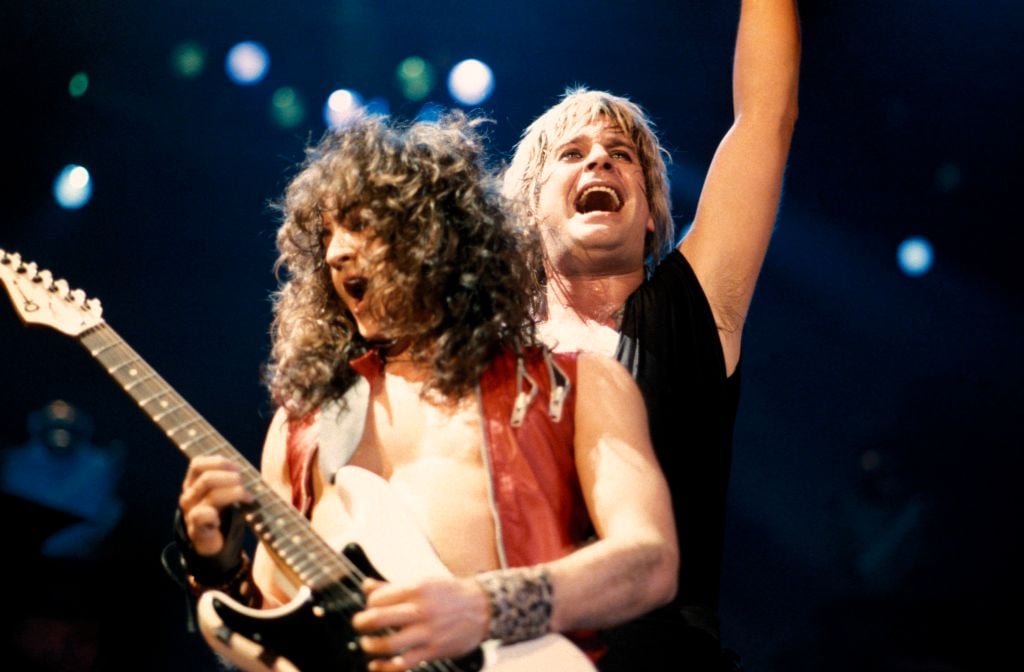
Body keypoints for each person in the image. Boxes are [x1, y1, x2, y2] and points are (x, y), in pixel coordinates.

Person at [172, 112, 677, 672]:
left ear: (438, 239)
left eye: (362, 226)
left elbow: (650, 564)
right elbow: (277, 646)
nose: (338, 252)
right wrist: (215, 565)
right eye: (329, 234)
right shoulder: (302, 428)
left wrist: (482, 607)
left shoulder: (576, 384)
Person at [502, 1, 801, 668]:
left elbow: (766, 118)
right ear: (529, 209)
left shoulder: (692, 312)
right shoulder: (489, 351)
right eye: (573, 154)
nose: (600, 163)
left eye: (620, 155)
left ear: (649, 214)